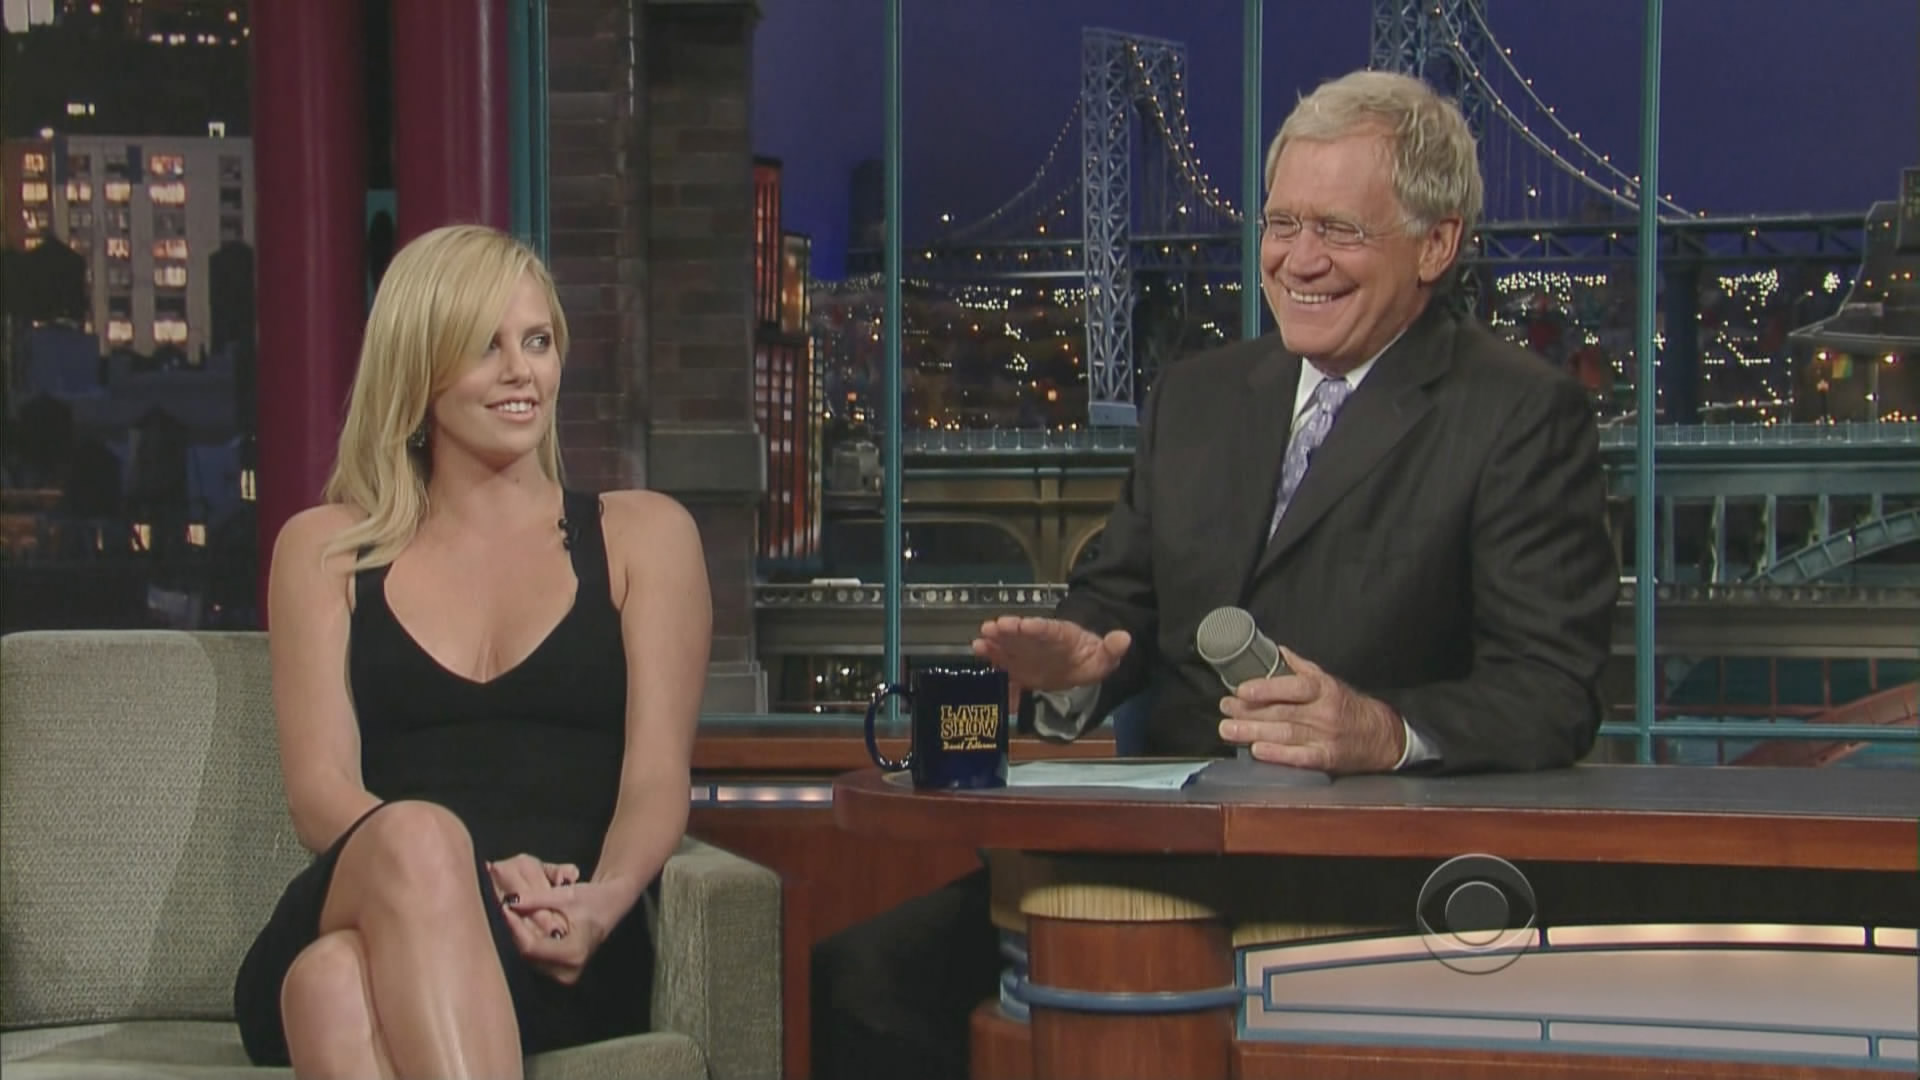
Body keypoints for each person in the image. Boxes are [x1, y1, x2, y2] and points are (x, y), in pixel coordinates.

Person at [811, 69, 1617, 1079]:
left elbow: (1551, 691)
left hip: (1364, 886)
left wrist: (1381, 731)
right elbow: (1125, 598)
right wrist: (1081, 656)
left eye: (1340, 230)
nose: (1299, 260)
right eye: (1282, 224)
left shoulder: (1518, 413)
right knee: (865, 981)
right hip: (1154, 860)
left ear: (1436, 245)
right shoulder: (1197, 396)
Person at [232, 224, 712, 1079]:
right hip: (377, 888)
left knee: (330, 986)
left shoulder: (645, 538)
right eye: (486, 346)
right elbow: (320, 793)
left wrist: (600, 905)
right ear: (418, 371)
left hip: (552, 933)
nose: (522, 371)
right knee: (418, 838)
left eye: (538, 342)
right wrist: (468, 873)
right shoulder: (326, 549)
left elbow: (654, 781)